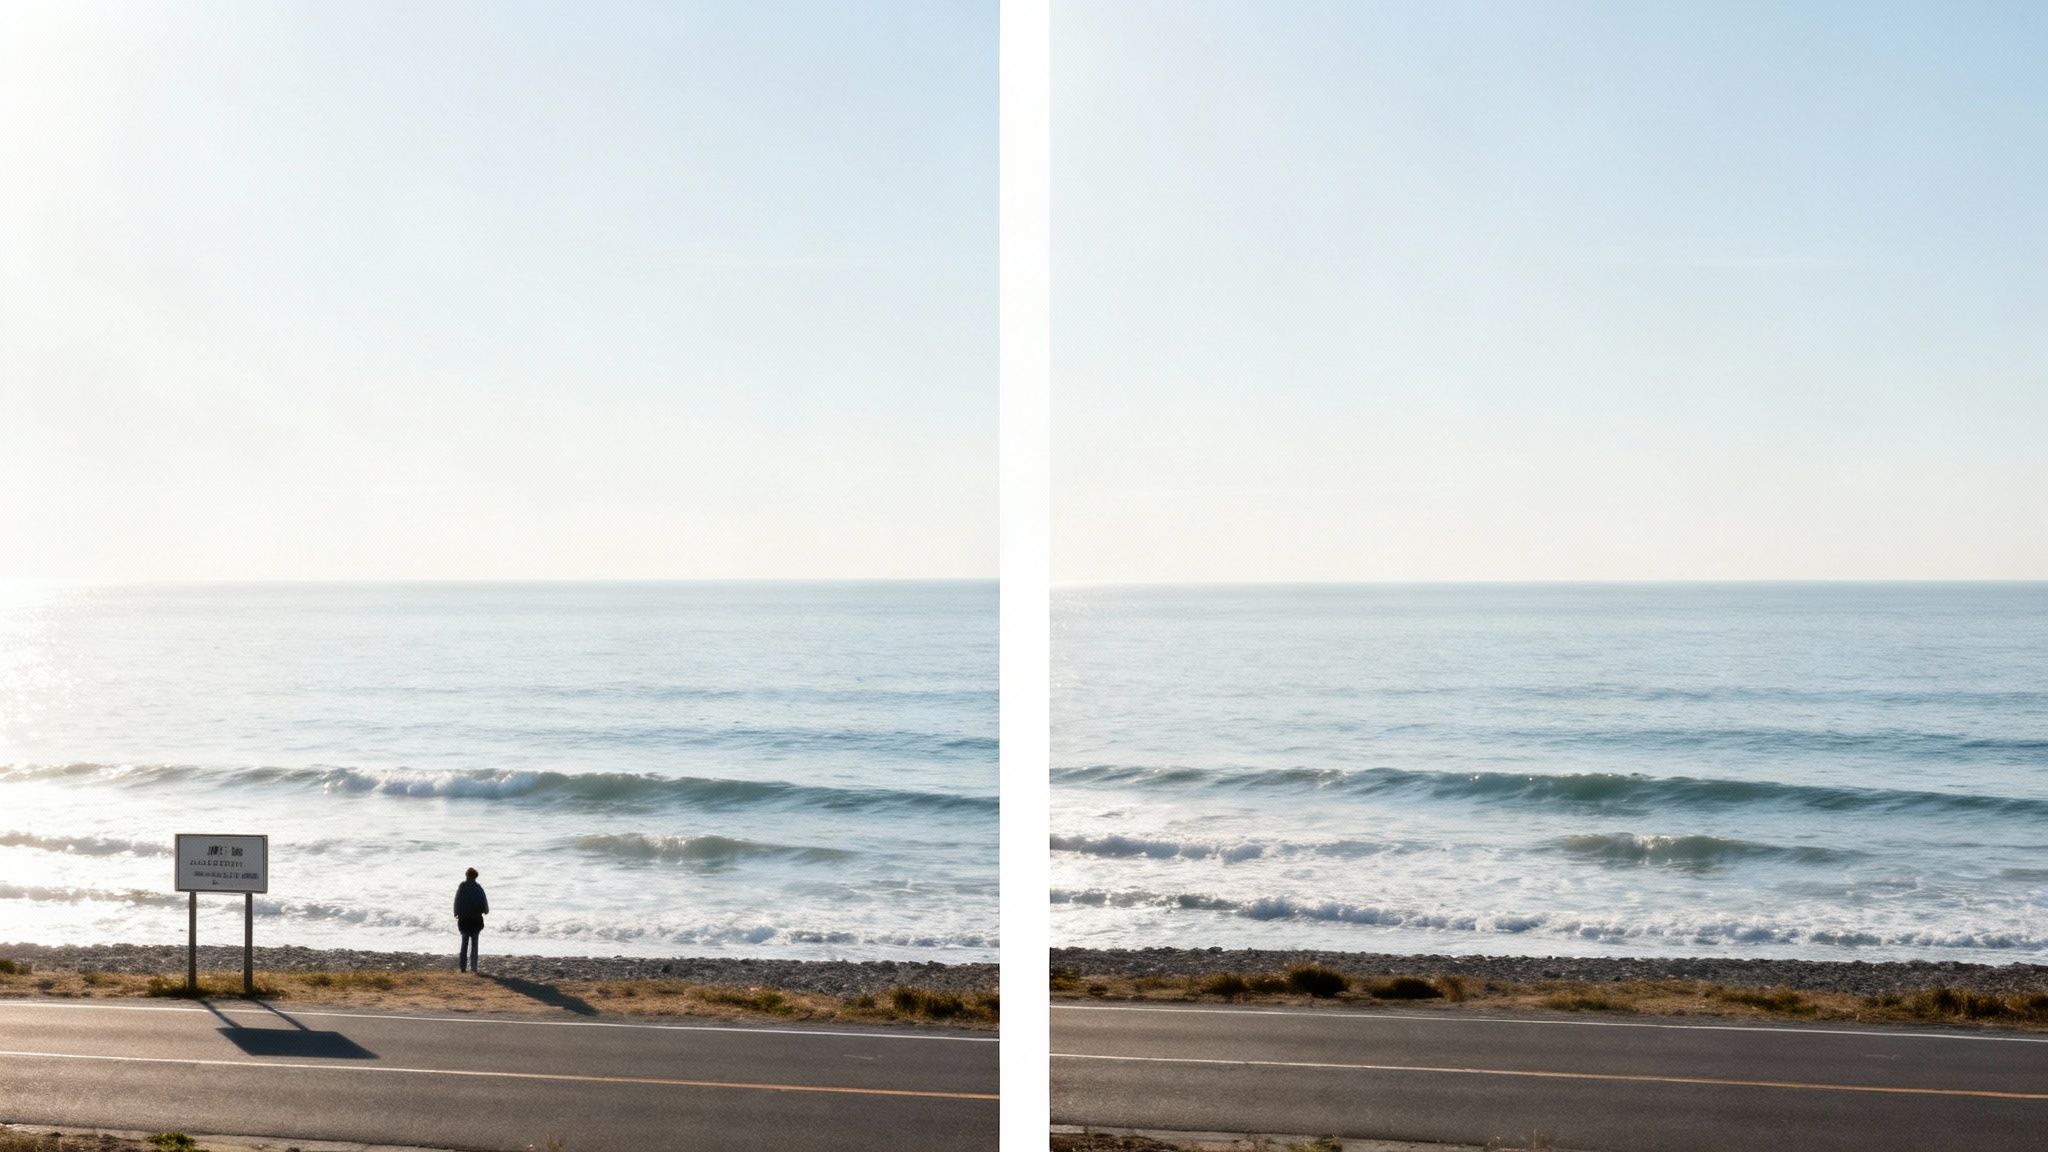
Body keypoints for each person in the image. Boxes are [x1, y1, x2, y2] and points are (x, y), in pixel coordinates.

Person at [454, 867, 489, 973]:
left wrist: (456, 913)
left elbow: (456, 903)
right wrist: (483, 911)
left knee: (464, 944)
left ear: (466, 875)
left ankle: (463, 968)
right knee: (474, 945)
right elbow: (486, 908)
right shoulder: (479, 889)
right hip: (476, 921)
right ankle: (474, 968)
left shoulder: (462, 887)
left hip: (464, 921)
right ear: (475, 876)